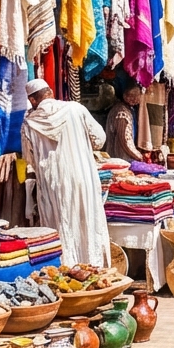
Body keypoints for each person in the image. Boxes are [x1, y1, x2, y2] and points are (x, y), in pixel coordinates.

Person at [20, 79, 110, 266]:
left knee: (60, 226)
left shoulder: (29, 124)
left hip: (53, 184)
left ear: (32, 100)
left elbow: (29, 159)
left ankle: (65, 269)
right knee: (87, 222)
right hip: (83, 177)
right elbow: (99, 139)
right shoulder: (76, 109)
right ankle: (93, 268)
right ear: (51, 92)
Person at [104, 84, 146, 161]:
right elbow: (125, 139)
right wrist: (137, 155)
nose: (136, 100)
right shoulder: (122, 112)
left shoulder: (129, 109)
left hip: (121, 158)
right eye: (132, 97)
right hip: (119, 158)